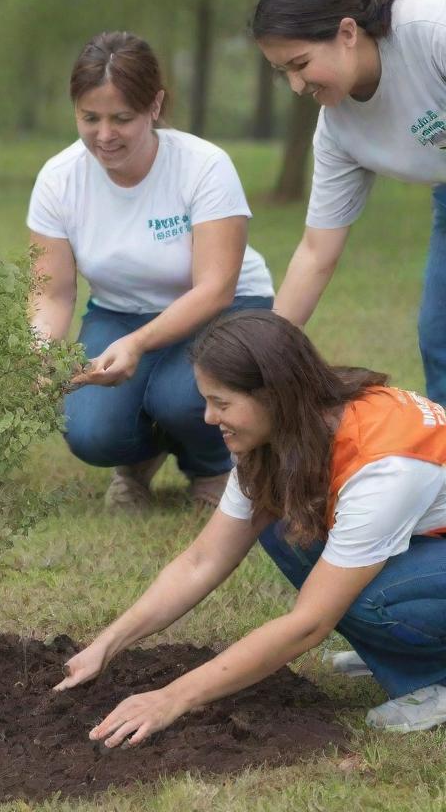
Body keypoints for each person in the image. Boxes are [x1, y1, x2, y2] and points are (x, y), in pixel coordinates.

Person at [56, 309, 446, 740]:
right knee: (285, 526)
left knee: (366, 594)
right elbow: (203, 560)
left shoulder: (384, 468)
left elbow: (309, 624)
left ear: (275, 395)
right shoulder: (287, 432)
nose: (208, 417)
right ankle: (393, 650)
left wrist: (171, 698)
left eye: (221, 403)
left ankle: (434, 677)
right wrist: (106, 644)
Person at [28, 31, 273, 508]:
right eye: (89, 117)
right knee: (89, 432)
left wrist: (138, 344)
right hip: (120, 311)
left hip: (222, 310)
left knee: (183, 398)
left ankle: (214, 467)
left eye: (122, 118)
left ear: (155, 105)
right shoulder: (58, 179)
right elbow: (52, 293)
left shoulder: (203, 166)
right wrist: (38, 354)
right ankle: (140, 457)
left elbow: (217, 287)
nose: (104, 135)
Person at [252, 0, 446, 402]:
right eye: (282, 71)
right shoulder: (338, 131)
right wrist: (268, 352)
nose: (296, 85)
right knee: (440, 337)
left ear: (346, 33)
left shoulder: (434, 28)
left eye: (300, 64)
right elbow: (317, 252)